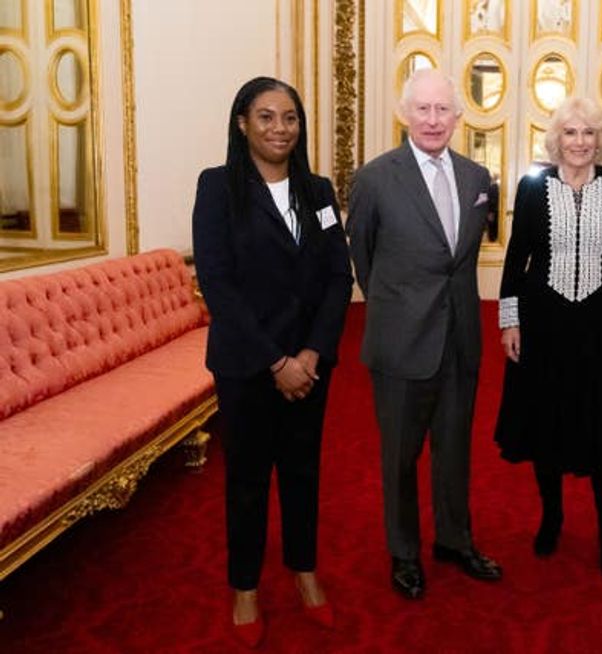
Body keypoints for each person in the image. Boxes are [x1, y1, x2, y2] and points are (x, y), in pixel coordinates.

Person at [192, 76, 353, 646]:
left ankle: (305, 575)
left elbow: (340, 276)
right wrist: (275, 360)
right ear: (242, 124)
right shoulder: (217, 188)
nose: (279, 128)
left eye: (289, 118)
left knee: (304, 474)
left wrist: (310, 353)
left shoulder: (318, 191)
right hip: (247, 364)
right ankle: (245, 588)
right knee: (248, 480)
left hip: (311, 365)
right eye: (266, 117)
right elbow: (218, 283)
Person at [346, 68, 503, 600]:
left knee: (455, 448)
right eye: (423, 109)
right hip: (401, 341)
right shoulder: (374, 179)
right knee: (400, 455)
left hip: (460, 339)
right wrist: (400, 307)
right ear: (404, 113)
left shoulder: (477, 177)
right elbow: (362, 259)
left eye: (443, 110)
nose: (433, 120)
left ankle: (455, 540)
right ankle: (404, 552)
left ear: (458, 117)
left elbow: (461, 258)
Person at [494, 97, 602, 580]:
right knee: (547, 422)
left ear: (601, 139)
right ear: (557, 139)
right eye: (571, 133)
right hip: (543, 321)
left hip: (597, 322)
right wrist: (509, 321)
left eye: (589, 133)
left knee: (601, 425)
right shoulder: (533, 186)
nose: (580, 142)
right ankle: (552, 516)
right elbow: (516, 260)